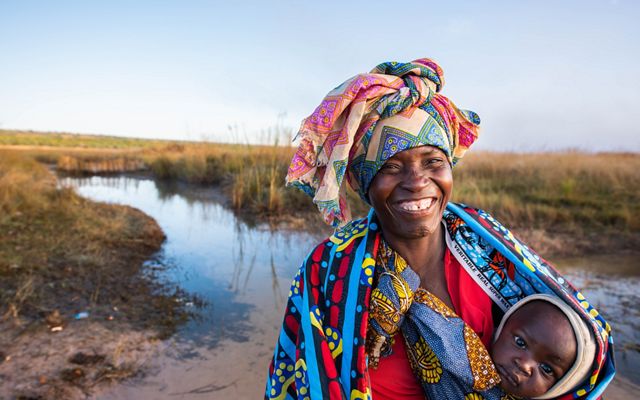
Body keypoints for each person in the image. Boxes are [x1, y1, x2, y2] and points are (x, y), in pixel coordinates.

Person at [265, 58, 613, 400]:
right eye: (390, 167)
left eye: (433, 161)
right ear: (363, 182)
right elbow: (301, 379)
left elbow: (582, 357)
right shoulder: (330, 269)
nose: (417, 182)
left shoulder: (486, 242)